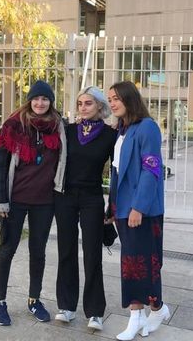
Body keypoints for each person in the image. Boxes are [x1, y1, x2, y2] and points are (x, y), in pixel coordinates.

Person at [0, 80, 66, 326]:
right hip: (15, 200)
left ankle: (34, 299)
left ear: (51, 101)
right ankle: (0, 303)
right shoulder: (13, 125)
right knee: (7, 250)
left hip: (45, 201)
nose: (40, 103)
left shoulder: (59, 126)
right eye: (36, 98)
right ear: (29, 100)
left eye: (45, 99)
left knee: (38, 252)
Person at [107, 81, 170, 340]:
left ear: (129, 99)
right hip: (123, 208)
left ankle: (142, 314)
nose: (111, 103)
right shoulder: (122, 130)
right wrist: (112, 206)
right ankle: (155, 309)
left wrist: (138, 207)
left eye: (116, 98)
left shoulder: (147, 128)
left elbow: (151, 169)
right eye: (109, 99)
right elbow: (116, 171)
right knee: (135, 263)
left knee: (141, 264)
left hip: (142, 209)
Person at [54, 86, 116, 331]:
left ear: (100, 106)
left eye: (88, 103)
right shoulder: (67, 131)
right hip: (66, 197)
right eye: (80, 103)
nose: (83, 107)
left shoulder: (111, 135)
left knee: (93, 254)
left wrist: (114, 205)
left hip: (92, 197)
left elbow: (116, 171)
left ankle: (95, 312)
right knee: (66, 250)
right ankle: (67, 307)